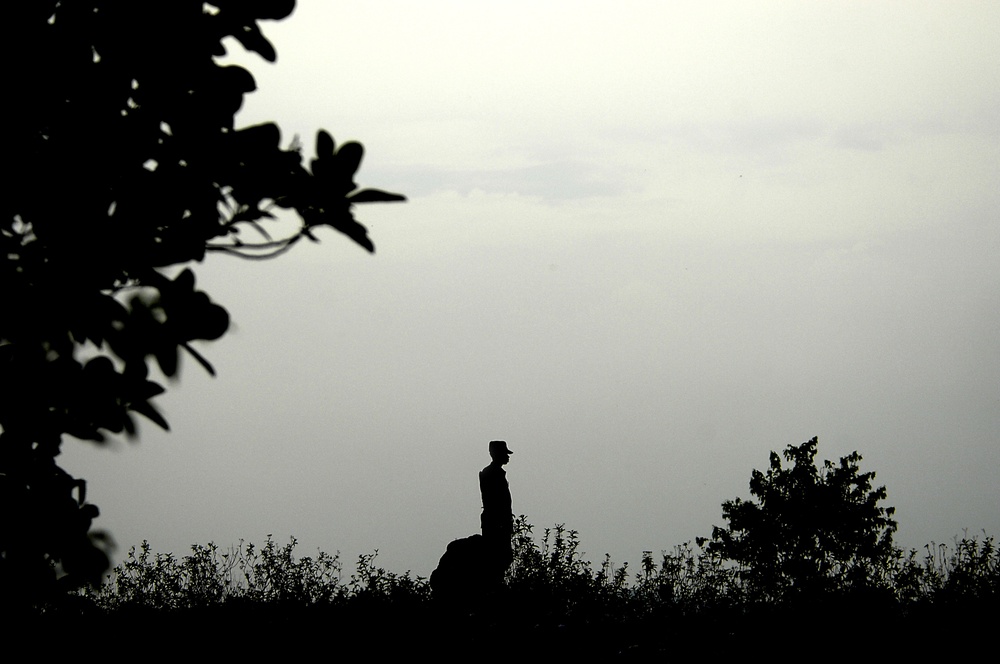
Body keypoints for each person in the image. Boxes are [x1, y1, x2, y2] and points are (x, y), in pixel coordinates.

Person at [479, 440, 514, 582]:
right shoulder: (492, 474)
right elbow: (495, 502)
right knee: (497, 560)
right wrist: (503, 523)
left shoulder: (492, 473)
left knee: (501, 561)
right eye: (505, 453)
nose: (508, 456)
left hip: (497, 522)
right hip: (496, 524)